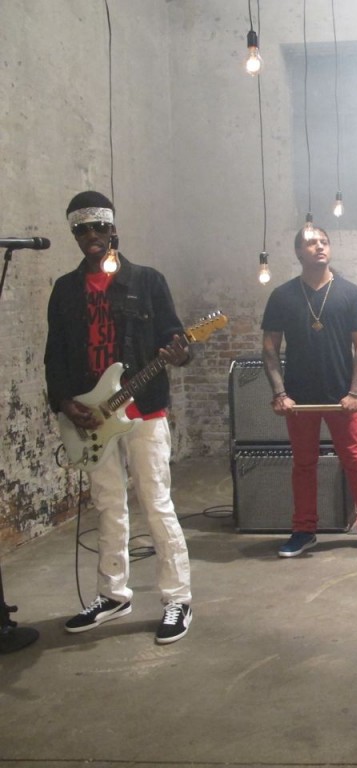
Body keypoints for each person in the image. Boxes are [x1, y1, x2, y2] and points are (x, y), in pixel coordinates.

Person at [45, 190, 194, 644]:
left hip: (143, 409)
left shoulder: (146, 281)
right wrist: (66, 402)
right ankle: (112, 595)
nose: (90, 235)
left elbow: (175, 337)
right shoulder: (65, 290)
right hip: (91, 416)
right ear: (74, 235)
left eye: (97, 226)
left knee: (156, 502)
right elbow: (55, 355)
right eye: (80, 229)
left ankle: (178, 599)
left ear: (112, 228)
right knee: (108, 504)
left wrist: (182, 352)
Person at [261, 226, 357, 558]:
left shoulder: (350, 293)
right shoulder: (282, 296)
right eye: (311, 242)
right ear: (298, 252)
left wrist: (356, 392)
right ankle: (304, 530)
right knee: (304, 464)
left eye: (324, 241)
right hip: (298, 399)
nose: (319, 246)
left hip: (341, 398)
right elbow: (269, 348)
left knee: (355, 460)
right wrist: (280, 393)